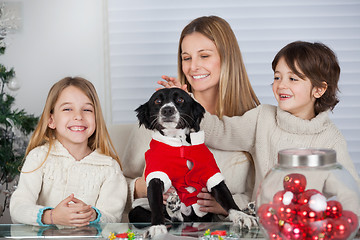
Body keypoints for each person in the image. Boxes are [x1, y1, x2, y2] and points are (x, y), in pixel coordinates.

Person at [121, 15, 260, 221]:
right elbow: (117, 184)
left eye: (204, 56)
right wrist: (142, 188)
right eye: (186, 58)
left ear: (227, 58)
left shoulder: (252, 121)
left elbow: (261, 194)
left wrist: (226, 206)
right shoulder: (159, 119)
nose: (193, 66)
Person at [199, 41, 360, 205]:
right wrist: (184, 104)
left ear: (319, 89)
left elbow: (351, 194)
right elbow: (219, 132)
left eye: (293, 78)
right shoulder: (263, 118)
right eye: (277, 77)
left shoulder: (331, 140)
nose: (281, 85)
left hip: (303, 228)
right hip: (260, 227)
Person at [10, 77, 127, 227]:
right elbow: (18, 207)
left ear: (96, 119)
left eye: (87, 110)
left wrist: (93, 215)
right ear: (51, 120)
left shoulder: (110, 168)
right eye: (67, 109)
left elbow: (113, 217)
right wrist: (50, 216)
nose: (78, 116)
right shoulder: (38, 158)